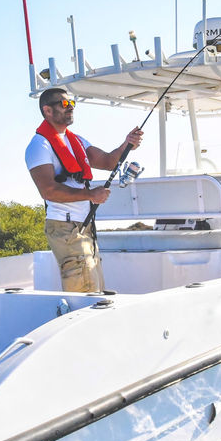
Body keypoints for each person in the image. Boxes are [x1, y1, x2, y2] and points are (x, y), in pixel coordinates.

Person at [26, 88, 143, 292]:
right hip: (64, 227)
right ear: (47, 110)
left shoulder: (77, 141)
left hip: (85, 227)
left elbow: (107, 161)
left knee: (95, 287)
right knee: (85, 292)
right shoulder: (39, 146)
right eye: (64, 104)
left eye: (72, 103)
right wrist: (90, 195)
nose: (70, 107)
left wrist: (127, 144)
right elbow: (48, 191)